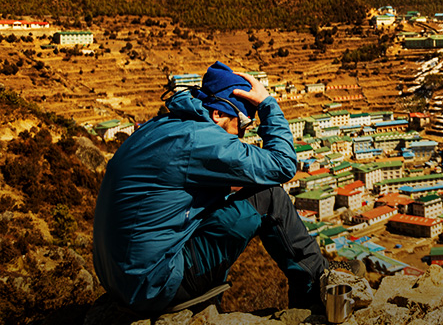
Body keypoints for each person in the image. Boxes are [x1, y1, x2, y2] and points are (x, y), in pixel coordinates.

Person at [93, 61, 332, 314]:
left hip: (119, 278)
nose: (241, 134)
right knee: (268, 195)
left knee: (230, 195)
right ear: (218, 114)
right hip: (154, 285)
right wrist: (267, 105)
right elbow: (284, 165)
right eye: (242, 123)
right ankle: (317, 286)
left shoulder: (164, 126)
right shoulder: (200, 139)